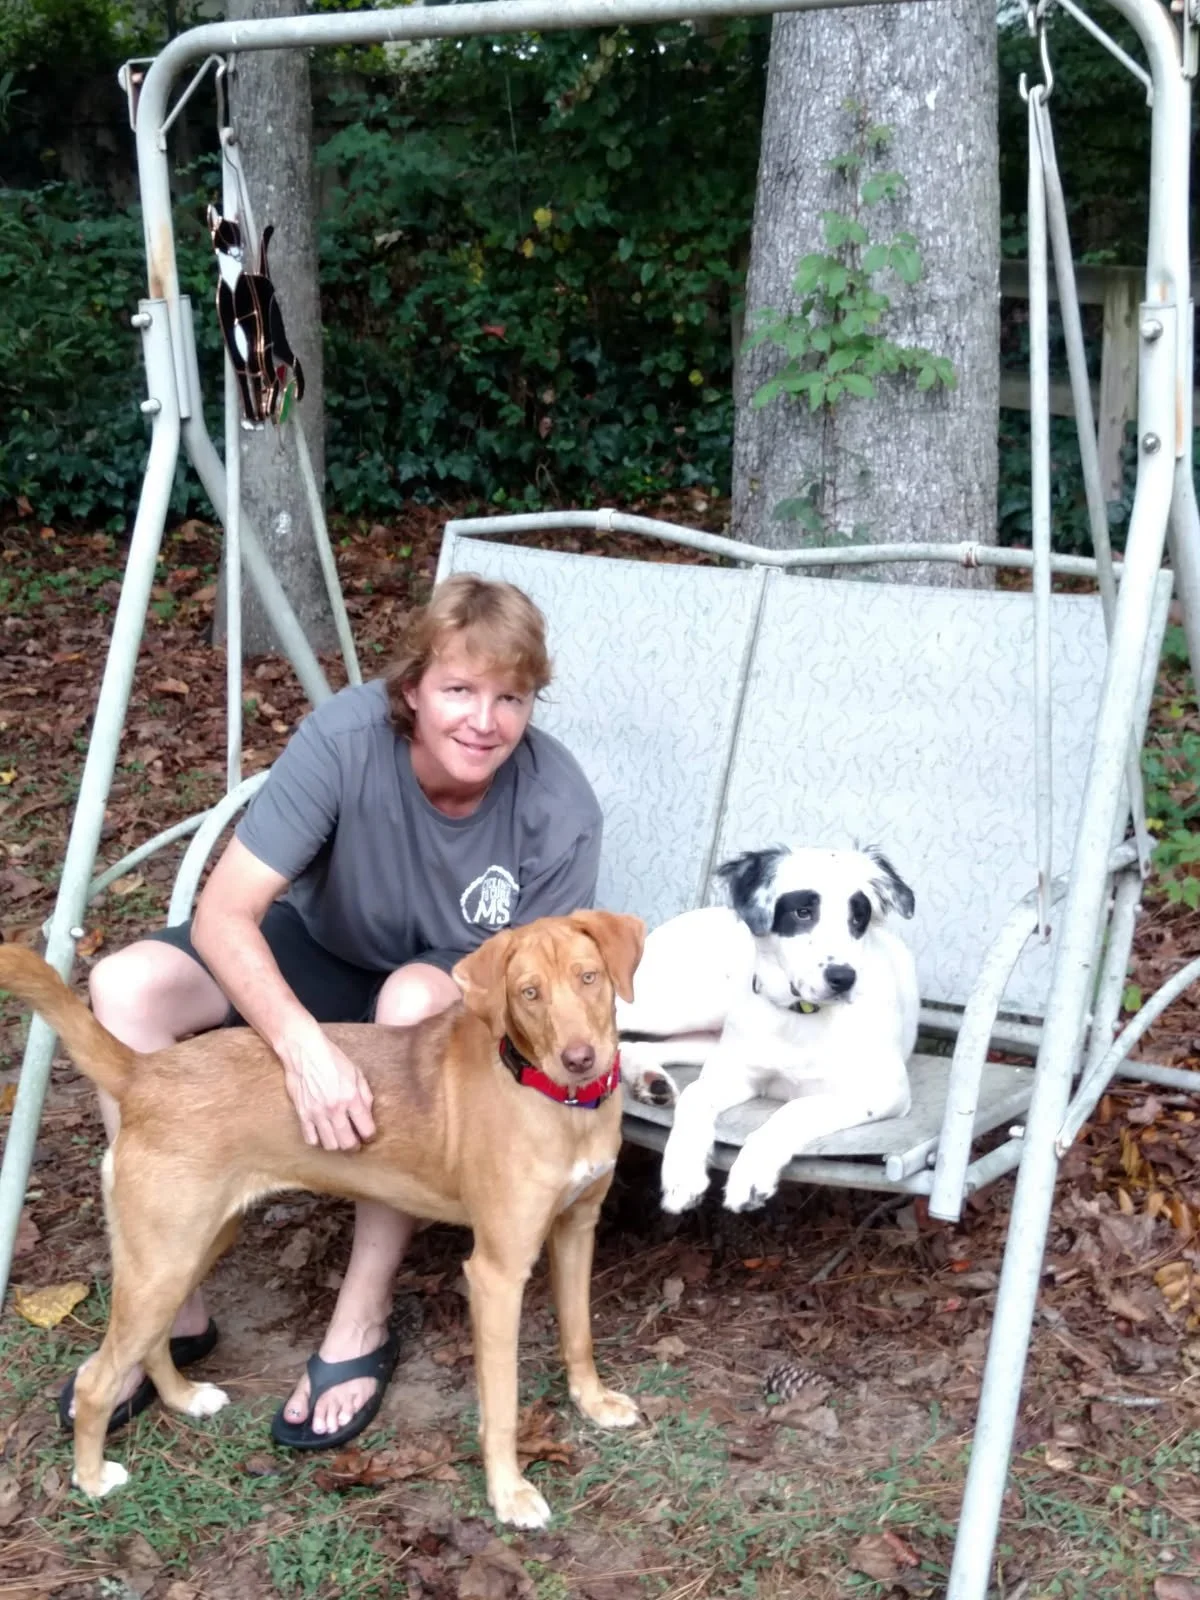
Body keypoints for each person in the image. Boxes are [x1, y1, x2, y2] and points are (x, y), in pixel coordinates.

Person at [68, 574, 603, 1450]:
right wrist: (299, 1045)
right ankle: (176, 1303)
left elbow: (534, 992)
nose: (484, 720)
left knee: (414, 1001)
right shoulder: (346, 738)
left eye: (511, 698)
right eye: (459, 690)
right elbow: (224, 912)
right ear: (411, 691)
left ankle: (359, 1317)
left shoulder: (557, 807)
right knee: (126, 986)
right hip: (315, 951)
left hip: (439, 989)